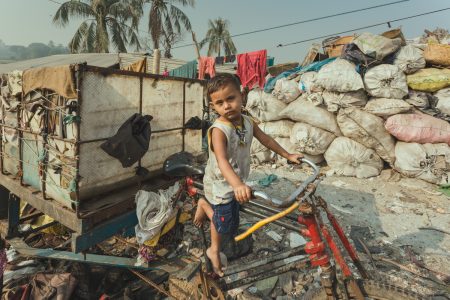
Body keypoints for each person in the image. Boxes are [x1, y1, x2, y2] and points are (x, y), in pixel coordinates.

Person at [193, 73, 303, 277]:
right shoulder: (219, 130)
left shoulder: (247, 122)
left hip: (236, 181)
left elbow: (266, 140)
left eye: (230, 99)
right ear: (213, 106)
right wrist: (237, 186)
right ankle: (213, 248)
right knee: (224, 225)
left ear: (242, 95)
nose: (226, 106)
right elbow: (222, 161)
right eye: (219, 103)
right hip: (221, 184)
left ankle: (206, 206)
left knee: (232, 219)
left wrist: (287, 155)